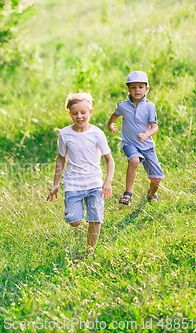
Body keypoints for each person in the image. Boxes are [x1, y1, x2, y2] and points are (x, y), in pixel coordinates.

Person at [47, 93, 114, 258]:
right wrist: (55, 183)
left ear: (90, 112)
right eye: (75, 113)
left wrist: (107, 182)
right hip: (73, 184)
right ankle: (73, 212)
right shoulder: (64, 134)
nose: (79, 116)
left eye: (83, 112)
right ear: (70, 114)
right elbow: (61, 158)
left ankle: (89, 252)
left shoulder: (97, 134)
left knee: (95, 219)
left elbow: (109, 160)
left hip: (94, 184)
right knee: (75, 221)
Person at [107, 71, 164, 205]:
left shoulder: (150, 107)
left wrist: (146, 135)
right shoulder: (123, 106)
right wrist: (110, 124)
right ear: (128, 89)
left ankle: (151, 194)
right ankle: (128, 194)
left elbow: (154, 128)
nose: (137, 90)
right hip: (130, 143)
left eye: (140, 87)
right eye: (133, 87)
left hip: (147, 145)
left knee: (156, 179)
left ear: (147, 89)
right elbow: (115, 114)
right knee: (134, 160)